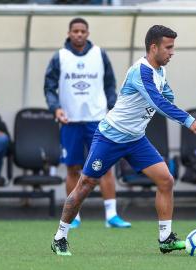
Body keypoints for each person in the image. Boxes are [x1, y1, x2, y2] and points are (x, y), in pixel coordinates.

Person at [51, 24, 196, 256]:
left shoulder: (160, 71)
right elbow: (158, 102)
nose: (172, 52)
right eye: (169, 47)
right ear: (153, 47)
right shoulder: (141, 71)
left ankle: (165, 238)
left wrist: (170, 96)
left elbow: (166, 95)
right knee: (85, 185)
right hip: (110, 136)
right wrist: (188, 120)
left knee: (166, 180)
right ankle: (60, 237)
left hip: (136, 139)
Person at [44, 17, 130, 229]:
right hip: (70, 121)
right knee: (73, 168)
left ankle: (111, 216)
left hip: (98, 120)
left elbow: (110, 84)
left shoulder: (99, 54)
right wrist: (56, 108)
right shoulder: (60, 57)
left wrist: (113, 106)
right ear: (69, 33)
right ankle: (74, 216)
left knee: (105, 167)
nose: (79, 34)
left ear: (88, 33)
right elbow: (49, 86)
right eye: (75, 31)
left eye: (83, 31)